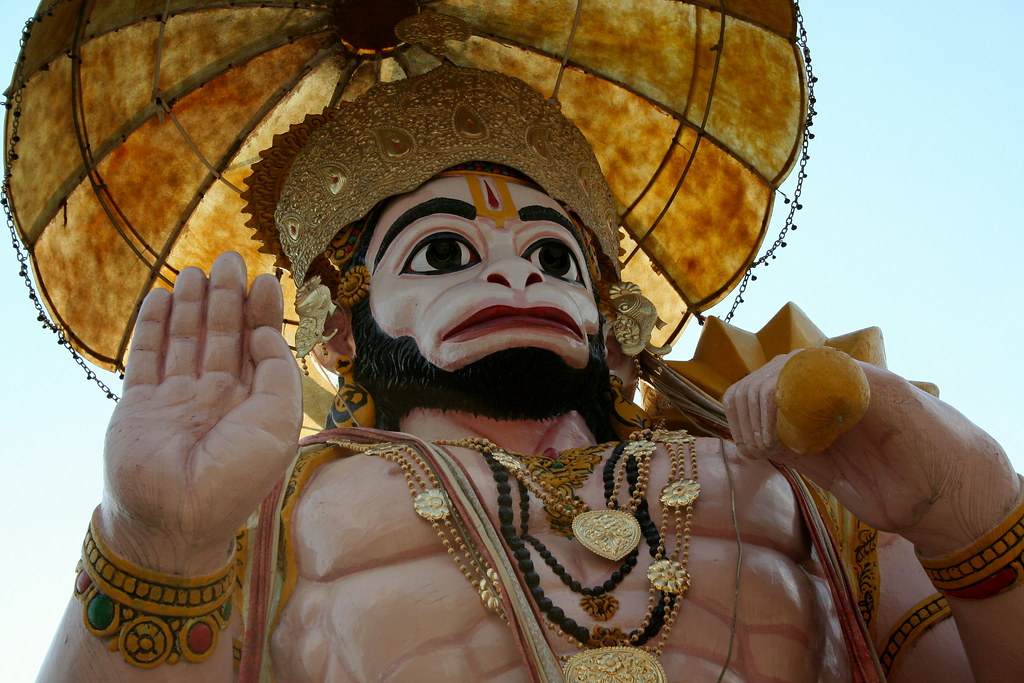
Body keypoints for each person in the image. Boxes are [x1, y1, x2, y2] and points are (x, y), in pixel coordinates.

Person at [37, 57, 1023, 683]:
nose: (516, 272)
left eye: (554, 256)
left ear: (612, 317)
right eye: (442, 253)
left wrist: (976, 516)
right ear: (339, 329)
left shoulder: (805, 480)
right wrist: (153, 547)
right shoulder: (267, 510)